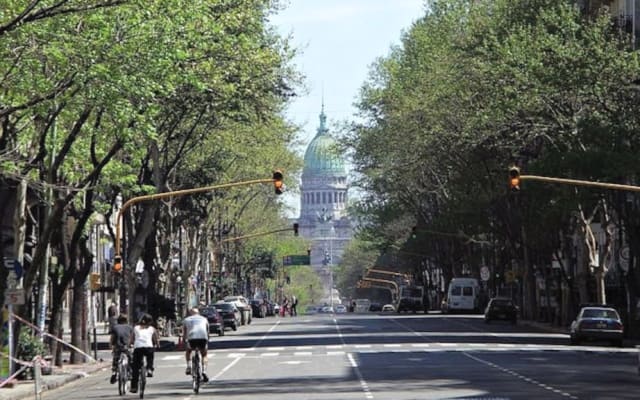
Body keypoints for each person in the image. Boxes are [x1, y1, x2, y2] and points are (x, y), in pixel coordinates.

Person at [130, 313, 159, 393]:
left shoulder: (136, 328)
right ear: (150, 322)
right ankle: (149, 369)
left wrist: (130, 344)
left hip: (138, 348)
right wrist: (157, 345)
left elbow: (132, 339)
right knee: (150, 357)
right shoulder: (152, 328)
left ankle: (134, 387)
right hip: (148, 347)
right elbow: (156, 339)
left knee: (135, 367)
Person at [182, 308, 210, 382]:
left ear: (190, 313)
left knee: (188, 351)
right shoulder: (204, 319)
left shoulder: (186, 320)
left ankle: (189, 366)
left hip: (191, 338)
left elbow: (184, 333)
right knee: (204, 354)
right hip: (202, 338)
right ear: (198, 313)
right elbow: (207, 331)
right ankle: (204, 371)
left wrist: (183, 341)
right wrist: (207, 340)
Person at [110, 314, 133, 384]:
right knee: (131, 359)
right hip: (127, 347)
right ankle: (130, 372)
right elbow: (132, 338)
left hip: (118, 347)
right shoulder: (130, 327)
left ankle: (114, 372)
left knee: (115, 359)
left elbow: (112, 339)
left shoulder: (115, 327)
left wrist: (111, 346)